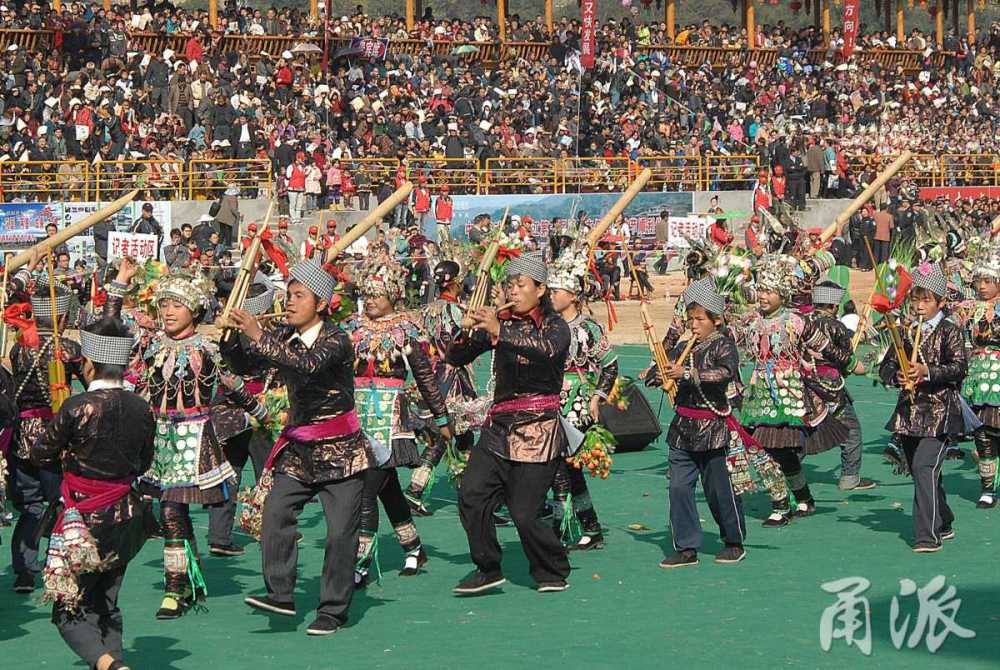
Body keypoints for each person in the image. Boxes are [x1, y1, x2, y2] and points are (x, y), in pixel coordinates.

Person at [224, 259, 375, 636]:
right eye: (288, 295)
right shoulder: (284, 336)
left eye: (298, 296)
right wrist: (231, 339)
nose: (288, 302)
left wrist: (260, 336)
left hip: (341, 450)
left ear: (322, 303)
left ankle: (333, 610)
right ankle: (281, 593)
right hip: (300, 450)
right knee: (275, 513)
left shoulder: (336, 340)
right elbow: (247, 363)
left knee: (341, 533)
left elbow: (306, 365)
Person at [106, 260, 265, 619]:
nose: (168, 312)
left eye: (176, 305)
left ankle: (176, 587)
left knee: (171, 509)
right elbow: (112, 326)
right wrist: (120, 282)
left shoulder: (209, 346)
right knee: (171, 511)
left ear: (193, 308)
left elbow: (232, 384)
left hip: (195, 437)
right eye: (163, 305)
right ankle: (182, 583)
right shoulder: (149, 343)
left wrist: (265, 415)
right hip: (158, 439)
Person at [33, 317, 154, 670]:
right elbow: (145, 462)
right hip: (126, 515)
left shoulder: (76, 406)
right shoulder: (142, 407)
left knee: (68, 609)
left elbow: (39, 453)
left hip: (82, 519)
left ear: (88, 364)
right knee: (106, 602)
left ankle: (110, 666)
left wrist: (67, 456)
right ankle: (112, 661)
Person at [448, 251, 572, 594]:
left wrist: (498, 330)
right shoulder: (499, 323)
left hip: (539, 427)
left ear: (541, 289)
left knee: (524, 512)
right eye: (509, 285)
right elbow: (454, 357)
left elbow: (546, 350)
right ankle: (487, 567)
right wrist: (466, 330)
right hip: (499, 425)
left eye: (520, 285)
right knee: (471, 493)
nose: (512, 291)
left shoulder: (555, 325)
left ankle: (552, 568)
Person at [342, 252, 451, 587]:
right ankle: (414, 547)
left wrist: (442, 417)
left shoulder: (406, 330)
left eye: (378, 294)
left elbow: (425, 377)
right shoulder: (352, 329)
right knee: (385, 489)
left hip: (389, 420)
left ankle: (360, 563)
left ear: (393, 294)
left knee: (364, 491)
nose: (371, 301)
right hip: (356, 420)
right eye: (367, 294)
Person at [654, 279, 747, 567]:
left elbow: (723, 373)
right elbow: (662, 370)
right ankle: (686, 547)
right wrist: (658, 374)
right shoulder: (683, 346)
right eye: (690, 319)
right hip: (683, 428)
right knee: (678, 488)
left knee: (719, 491)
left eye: (699, 319)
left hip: (714, 429)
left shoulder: (724, 345)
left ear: (715, 321)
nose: (693, 325)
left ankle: (733, 540)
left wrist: (687, 374)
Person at [7, 258, 84, 594]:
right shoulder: (67, 349)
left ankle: (25, 569)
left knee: (30, 505)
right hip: (55, 435)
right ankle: (62, 564)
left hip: (20, 436)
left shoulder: (17, 349)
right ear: (63, 317)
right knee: (60, 501)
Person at [879, 263, 966, 552]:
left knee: (923, 466)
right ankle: (944, 518)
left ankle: (927, 536)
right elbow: (887, 365)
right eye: (915, 298)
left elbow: (959, 367)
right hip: (909, 414)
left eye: (926, 299)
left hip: (941, 412)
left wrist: (926, 371)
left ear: (940, 302)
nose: (919, 305)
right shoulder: (904, 331)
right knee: (924, 473)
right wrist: (897, 375)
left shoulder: (950, 331)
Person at [547, 242, 617, 550]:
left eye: (556, 291)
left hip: (577, 399)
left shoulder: (588, 328)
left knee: (562, 466)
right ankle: (589, 527)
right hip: (551, 399)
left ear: (573, 295)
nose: (551, 296)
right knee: (563, 470)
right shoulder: (548, 325)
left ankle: (560, 529)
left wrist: (596, 397)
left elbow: (611, 367)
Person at [405, 253, 478, 512]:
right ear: (455, 283)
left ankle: (467, 489)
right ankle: (417, 489)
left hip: (432, 374)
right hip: (453, 376)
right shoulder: (458, 312)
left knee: (463, 436)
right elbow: (464, 342)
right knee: (448, 433)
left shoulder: (426, 311)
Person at [806, 277, 878, 491]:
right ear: (833, 305)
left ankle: (787, 469)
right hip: (831, 387)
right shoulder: (835, 327)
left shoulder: (801, 322)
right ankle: (849, 477)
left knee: (804, 429)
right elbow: (847, 362)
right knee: (851, 431)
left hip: (804, 383)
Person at [953, 251, 1000, 509]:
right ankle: (987, 488)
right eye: (978, 281)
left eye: (988, 281)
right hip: (976, 380)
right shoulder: (967, 309)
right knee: (982, 435)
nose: (982, 286)